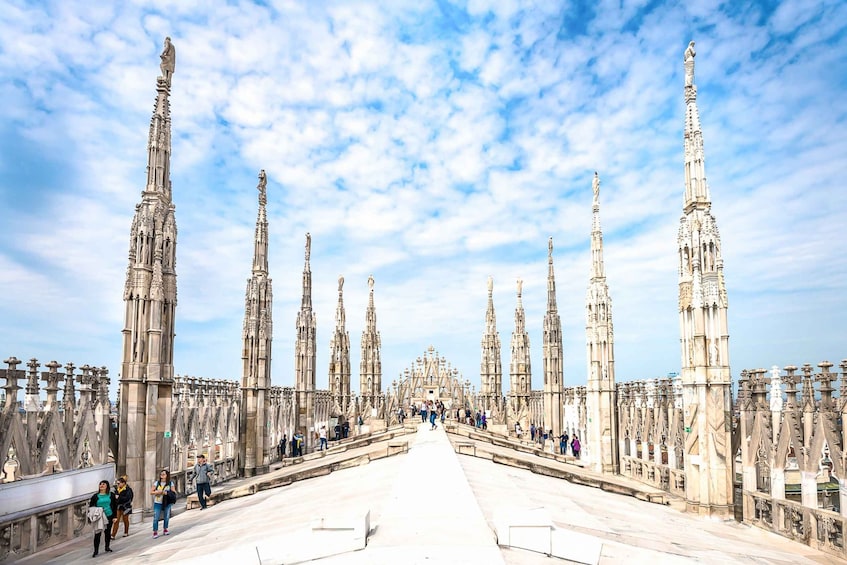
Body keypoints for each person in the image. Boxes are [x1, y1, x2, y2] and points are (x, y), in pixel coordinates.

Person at [89, 479, 116, 557]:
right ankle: (95, 550)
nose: (101, 485)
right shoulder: (95, 496)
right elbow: (91, 506)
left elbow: (114, 506)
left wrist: (115, 516)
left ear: (107, 486)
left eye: (103, 484)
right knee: (97, 533)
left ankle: (107, 547)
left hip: (109, 515)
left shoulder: (111, 495)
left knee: (107, 532)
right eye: (100, 484)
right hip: (99, 517)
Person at [150, 469, 175, 538]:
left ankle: (165, 529)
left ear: (167, 475)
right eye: (161, 474)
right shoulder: (156, 483)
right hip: (158, 501)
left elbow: (173, 492)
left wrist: (166, 493)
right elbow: (151, 492)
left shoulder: (170, 483)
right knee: (156, 517)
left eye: (163, 474)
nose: (162, 475)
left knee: (166, 516)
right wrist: (157, 492)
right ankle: (155, 531)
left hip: (166, 502)